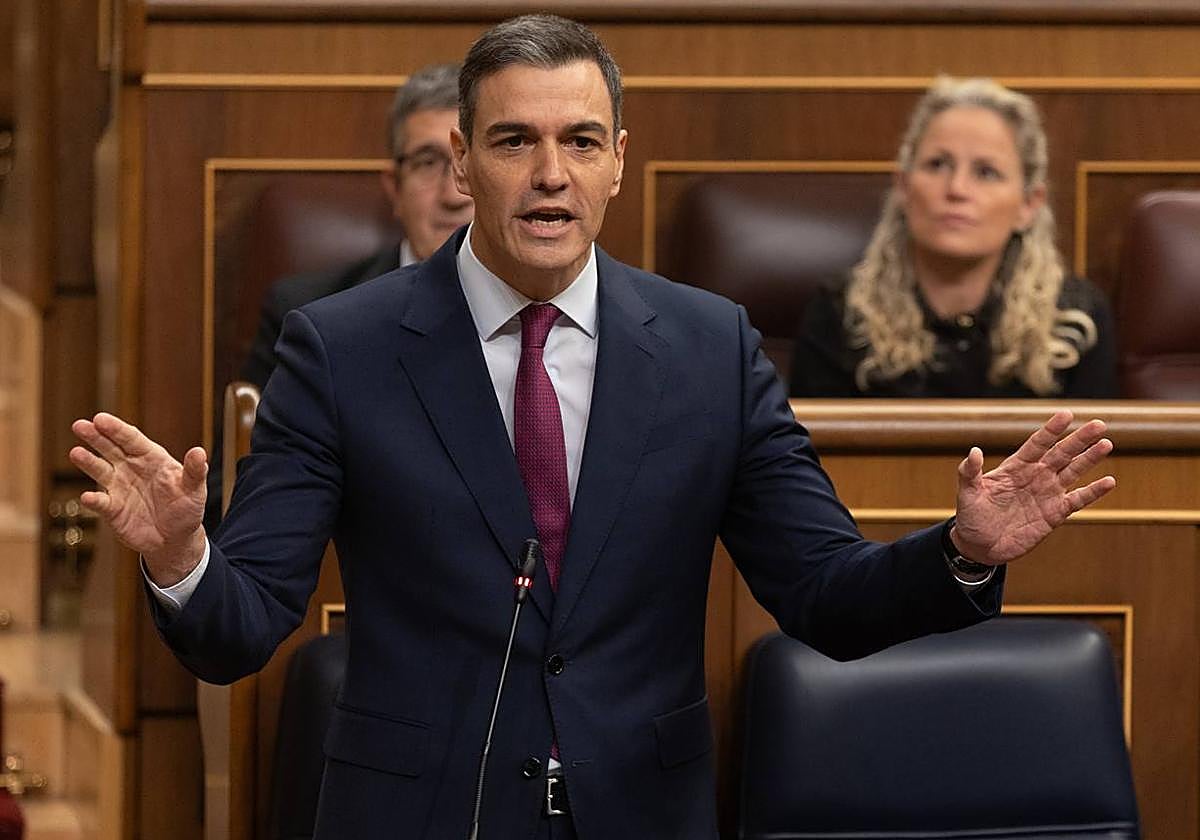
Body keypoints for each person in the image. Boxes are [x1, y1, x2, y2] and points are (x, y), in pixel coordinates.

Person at [70, 17, 1116, 840]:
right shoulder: (341, 348)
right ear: (460, 162)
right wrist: (182, 557)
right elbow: (240, 629)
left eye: (579, 142)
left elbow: (824, 597)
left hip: (640, 814)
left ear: (619, 160)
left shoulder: (710, 349)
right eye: (514, 141)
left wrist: (963, 555)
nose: (550, 175)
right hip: (418, 817)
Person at [205, 63, 474, 530]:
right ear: (394, 188)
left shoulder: (540, 311)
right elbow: (240, 496)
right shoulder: (307, 315)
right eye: (429, 163)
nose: (453, 194)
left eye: (466, 162)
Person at [790, 77, 1118, 399]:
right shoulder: (839, 313)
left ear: (1029, 204)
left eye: (986, 172)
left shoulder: (1076, 320)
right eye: (937, 165)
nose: (957, 189)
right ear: (904, 187)